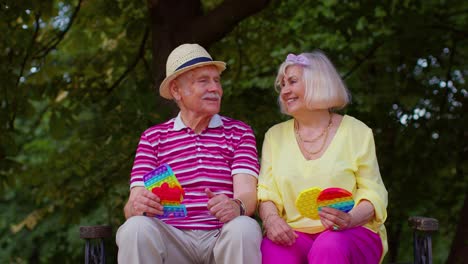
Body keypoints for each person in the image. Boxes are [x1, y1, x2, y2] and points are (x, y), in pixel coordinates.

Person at [116, 43, 262, 264]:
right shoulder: (153, 137)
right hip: (171, 238)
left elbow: (247, 195)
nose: (215, 88)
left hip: (220, 237)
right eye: (204, 81)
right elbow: (131, 206)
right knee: (135, 227)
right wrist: (137, 206)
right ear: (176, 90)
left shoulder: (239, 132)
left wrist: (236, 206)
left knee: (244, 227)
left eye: (217, 80)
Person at [257, 51, 388, 264]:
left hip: (351, 231)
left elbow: (373, 192)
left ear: (317, 82)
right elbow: (267, 192)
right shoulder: (274, 136)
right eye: (282, 85)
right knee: (274, 250)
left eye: (292, 82)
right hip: (296, 233)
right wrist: (271, 220)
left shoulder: (357, 131)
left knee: (328, 246)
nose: (284, 91)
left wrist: (349, 219)